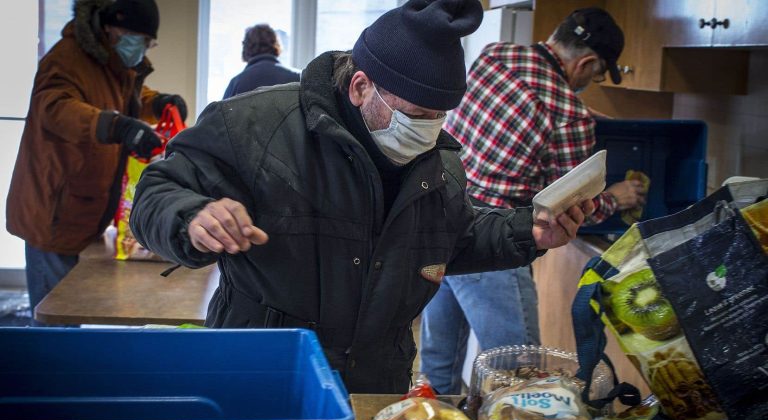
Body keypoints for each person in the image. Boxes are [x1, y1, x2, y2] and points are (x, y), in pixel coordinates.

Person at [129, 0, 594, 394]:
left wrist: (526, 230)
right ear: (360, 86)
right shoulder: (254, 125)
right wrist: (192, 215)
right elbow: (155, 193)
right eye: (415, 114)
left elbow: (450, 239)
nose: (428, 130)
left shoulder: (437, 160)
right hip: (262, 375)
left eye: (438, 117)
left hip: (374, 388)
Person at [419, 7, 647, 395]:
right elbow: (573, 207)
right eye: (594, 75)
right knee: (520, 379)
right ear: (587, 62)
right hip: (491, 240)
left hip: (435, 219)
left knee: (438, 367)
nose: (589, 82)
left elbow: (520, 105)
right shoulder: (569, 113)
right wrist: (616, 197)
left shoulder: (496, 56)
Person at [5, 0, 188, 316]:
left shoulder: (111, 61)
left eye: (148, 42)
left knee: (72, 313)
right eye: (139, 38)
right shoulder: (67, 58)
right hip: (53, 211)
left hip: (84, 210)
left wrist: (158, 103)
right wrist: (115, 126)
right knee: (55, 318)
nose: (142, 48)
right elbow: (54, 108)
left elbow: (125, 97)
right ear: (110, 26)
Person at [223, 23, 300, 99]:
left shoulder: (236, 83)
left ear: (246, 48)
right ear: (275, 44)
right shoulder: (298, 78)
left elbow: (221, 111)